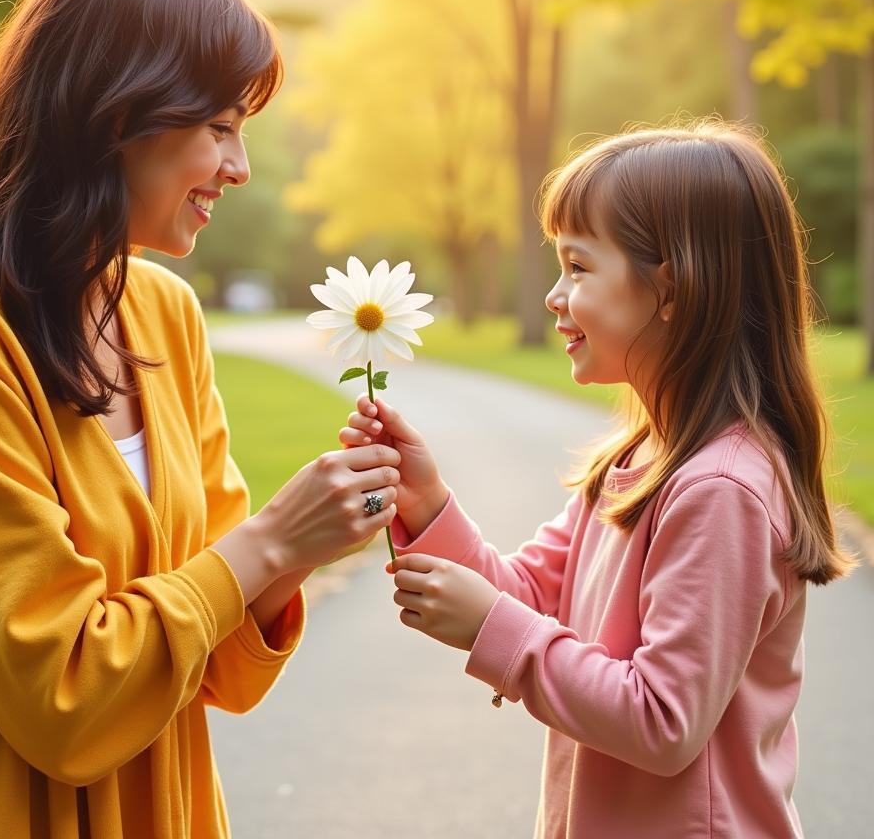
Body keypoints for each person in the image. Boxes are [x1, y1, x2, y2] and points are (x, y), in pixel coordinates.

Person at [0, 0, 400, 838]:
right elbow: (62, 698)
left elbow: (216, 663)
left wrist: (313, 533)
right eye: (220, 127)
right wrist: (268, 542)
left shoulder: (164, 314)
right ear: (119, 115)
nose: (240, 167)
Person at [339, 121, 856, 838]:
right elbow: (526, 596)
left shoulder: (721, 491)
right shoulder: (634, 462)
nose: (554, 295)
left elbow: (663, 720)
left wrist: (494, 630)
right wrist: (427, 504)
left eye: (578, 269)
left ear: (670, 287)